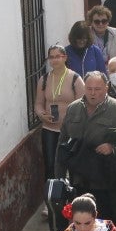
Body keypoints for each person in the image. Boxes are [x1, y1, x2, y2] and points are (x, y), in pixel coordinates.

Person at [59, 71, 116, 227]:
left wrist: (114, 148)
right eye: (89, 88)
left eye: (97, 89)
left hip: (107, 179)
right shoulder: (73, 109)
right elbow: (62, 144)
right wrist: (60, 177)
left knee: (109, 224)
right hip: (79, 178)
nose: (92, 93)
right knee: (82, 224)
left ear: (106, 88)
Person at [35, 44, 86, 181]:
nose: (54, 60)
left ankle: (72, 192)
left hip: (70, 130)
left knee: (72, 165)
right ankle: (54, 192)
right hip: (49, 129)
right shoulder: (44, 79)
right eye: (51, 57)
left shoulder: (75, 78)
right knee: (51, 166)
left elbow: (83, 105)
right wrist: (42, 115)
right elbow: (38, 103)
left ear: (65, 58)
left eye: (58, 56)